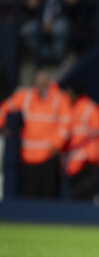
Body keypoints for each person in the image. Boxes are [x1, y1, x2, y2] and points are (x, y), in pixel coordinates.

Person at [0, 70, 71, 198]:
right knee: (31, 193)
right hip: (29, 156)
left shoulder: (59, 98)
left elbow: (65, 124)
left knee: (48, 193)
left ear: (48, 83)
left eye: (43, 83)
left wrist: (56, 145)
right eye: (37, 83)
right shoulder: (26, 96)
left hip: (49, 155)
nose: (40, 86)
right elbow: (4, 107)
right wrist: (2, 125)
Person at [64, 85, 99, 200]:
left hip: (87, 161)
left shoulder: (90, 108)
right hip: (74, 160)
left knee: (85, 195)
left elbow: (97, 133)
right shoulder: (69, 107)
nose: (67, 96)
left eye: (69, 93)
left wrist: (92, 156)